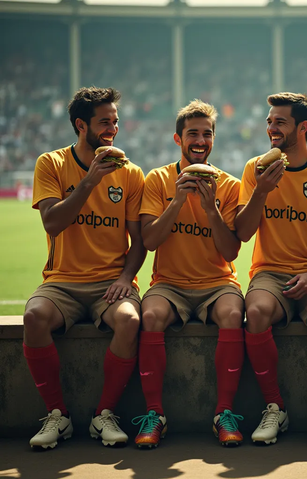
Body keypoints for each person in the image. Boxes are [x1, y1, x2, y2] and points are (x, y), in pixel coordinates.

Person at [23, 86, 146, 450]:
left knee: (131, 320)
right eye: (104, 122)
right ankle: (57, 415)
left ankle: (103, 414)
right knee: (33, 317)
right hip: (62, 282)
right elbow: (51, 223)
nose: (112, 129)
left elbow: (138, 240)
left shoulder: (131, 173)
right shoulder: (52, 163)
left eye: (115, 122)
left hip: (111, 281)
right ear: (81, 125)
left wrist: (126, 277)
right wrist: (90, 180)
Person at [235, 92, 307, 448]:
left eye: (279, 122)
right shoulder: (255, 168)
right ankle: (275, 408)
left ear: (303, 127)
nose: (271, 128)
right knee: (254, 312)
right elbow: (242, 233)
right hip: (269, 273)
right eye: (269, 121)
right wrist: (262, 190)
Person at [132, 99, 245, 449]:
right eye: (192, 133)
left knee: (232, 314)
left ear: (214, 139)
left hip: (217, 282)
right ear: (178, 139)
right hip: (168, 283)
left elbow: (230, 252)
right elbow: (149, 241)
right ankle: (154, 415)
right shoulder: (158, 179)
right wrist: (178, 201)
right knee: (149, 315)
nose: (200, 140)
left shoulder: (228, 184)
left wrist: (211, 209)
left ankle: (224, 413)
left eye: (207, 134)